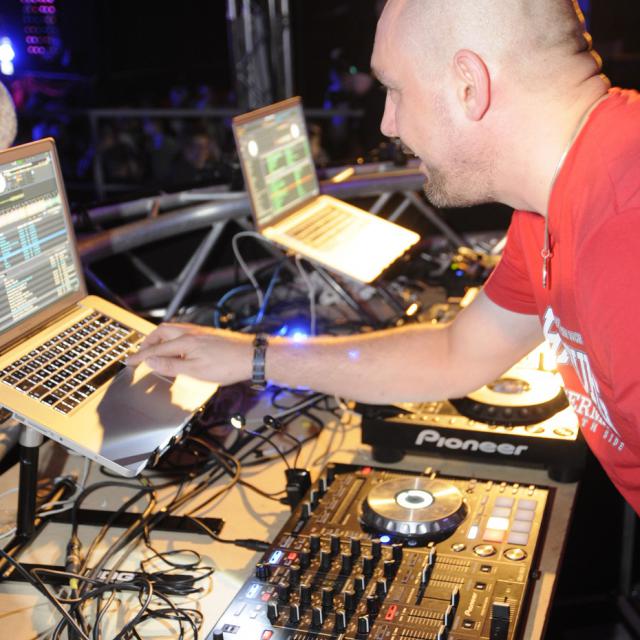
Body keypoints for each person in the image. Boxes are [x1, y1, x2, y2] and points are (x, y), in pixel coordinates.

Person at [129, 0, 640, 514]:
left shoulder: (624, 229)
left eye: (395, 90)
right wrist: (253, 357)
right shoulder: (551, 200)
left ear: (468, 85)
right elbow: (456, 355)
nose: (388, 124)